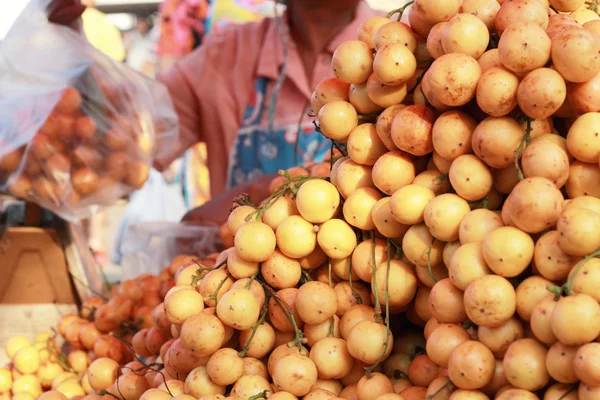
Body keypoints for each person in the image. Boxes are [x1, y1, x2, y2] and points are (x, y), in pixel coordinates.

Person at [47, 0, 380, 225]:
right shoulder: (229, 54)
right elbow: (127, 137)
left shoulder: (397, 53)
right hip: (235, 305)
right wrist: (71, 47)